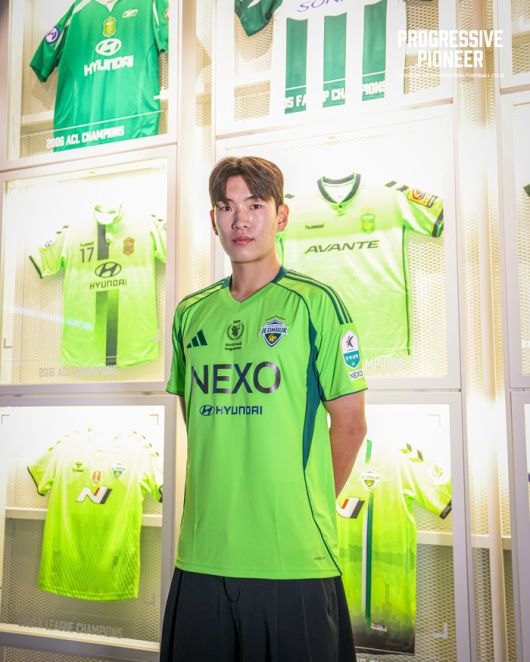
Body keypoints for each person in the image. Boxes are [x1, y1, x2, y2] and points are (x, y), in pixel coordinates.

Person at [160, 156, 367, 662]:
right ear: (213, 220)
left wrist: (302, 501)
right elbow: (196, 418)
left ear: (281, 216)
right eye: (226, 207)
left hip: (291, 557)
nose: (240, 220)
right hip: (203, 554)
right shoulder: (190, 313)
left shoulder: (316, 304)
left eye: (255, 205)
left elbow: (351, 426)